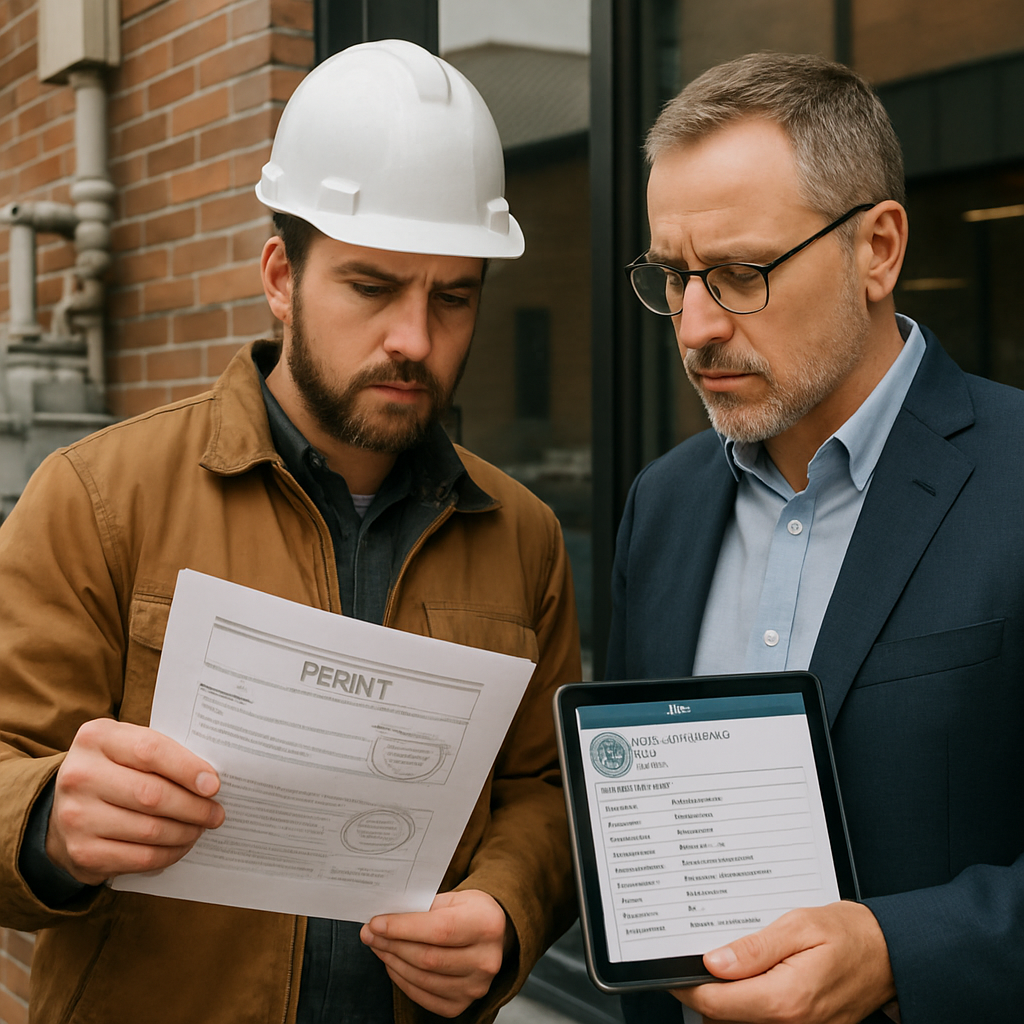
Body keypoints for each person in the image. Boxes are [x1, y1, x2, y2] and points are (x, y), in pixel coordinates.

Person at [0, 39, 580, 1024]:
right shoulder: (98, 498)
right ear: (280, 273)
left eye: (453, 297)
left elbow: (546, 790)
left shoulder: (522, 536)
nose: (414, 338)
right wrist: (50, 818)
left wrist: (506, 908)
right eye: (371, 286)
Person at [608, 51, 1024, 1024]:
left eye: (739, 272)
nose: (694, 325)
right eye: (673, 277)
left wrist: (898, 952)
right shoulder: (659, 507)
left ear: (877, 248)